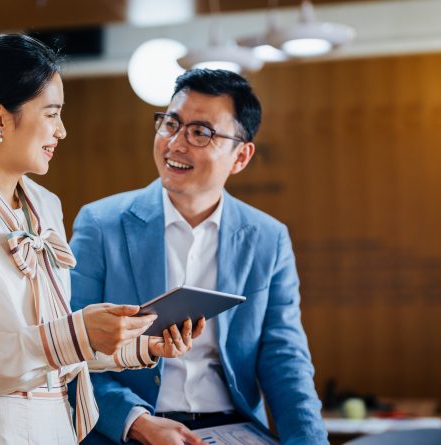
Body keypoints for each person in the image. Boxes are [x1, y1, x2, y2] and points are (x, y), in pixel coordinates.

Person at [0, 34, 201, 445]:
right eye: (51, 114)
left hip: (56, 427)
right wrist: (73, 333)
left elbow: (58, 352)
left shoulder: (45, 205)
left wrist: (142, 345)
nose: (61, 131)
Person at [70, 69, 329, 445]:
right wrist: (137, 422)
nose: (175, 144)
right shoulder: (101, 224)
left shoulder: (267, 238)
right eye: (171, 124)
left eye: (200, 132)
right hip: (133, 429)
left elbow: (285, 357)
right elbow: (72, 350)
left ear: (241, 156)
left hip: (233, 428)